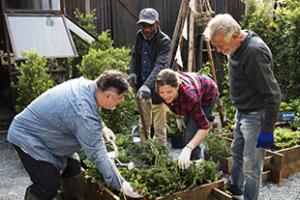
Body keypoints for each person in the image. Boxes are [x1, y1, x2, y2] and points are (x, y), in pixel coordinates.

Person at [7, 70, 141, 200]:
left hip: (47, 133)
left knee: (73, 167)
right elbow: (98, 154)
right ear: (107, 95)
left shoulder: (87, 86)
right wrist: (122, 185)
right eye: (120, 97)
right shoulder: (83, 113)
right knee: (48, 184)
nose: (122, 100)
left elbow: (89, 109)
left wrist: (102, 127)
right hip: (28, 136)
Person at [203, 14, 281, 200]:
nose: (219, 50)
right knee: (236, 152)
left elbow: (273, 94)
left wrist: (267, 129)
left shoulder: (254, 53)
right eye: (215, 45)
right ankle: (236, 189)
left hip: (256, 116)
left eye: (220, 45)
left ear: (236, 36)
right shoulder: (234, 46)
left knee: (251, 167)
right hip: (242, 112)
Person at [155, 68, 218, 169]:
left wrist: (188, 148)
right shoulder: (160, 88)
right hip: (194, 91)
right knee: (189, 130)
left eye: (169, 92)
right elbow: (172, 103)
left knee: (189, 137)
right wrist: (179, 116)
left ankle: (198, 167)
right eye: (162, 93)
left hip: (207, 92)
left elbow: (205, 127)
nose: (165, 96)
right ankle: (193, 163)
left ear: (178, 86)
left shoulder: (190, 97)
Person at [127, 8, 171, 146]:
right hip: (142, 89)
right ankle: (145, 155)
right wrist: (133, 72)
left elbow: (160, 66)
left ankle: (160, 160)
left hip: (159, 90)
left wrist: (148, 85)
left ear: (157, 23)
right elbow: (135, 56)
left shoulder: (164, 41)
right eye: (143, 25)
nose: (146, 29)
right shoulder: (139, 36)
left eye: (149, 26)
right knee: (144, 125)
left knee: (159, 128)